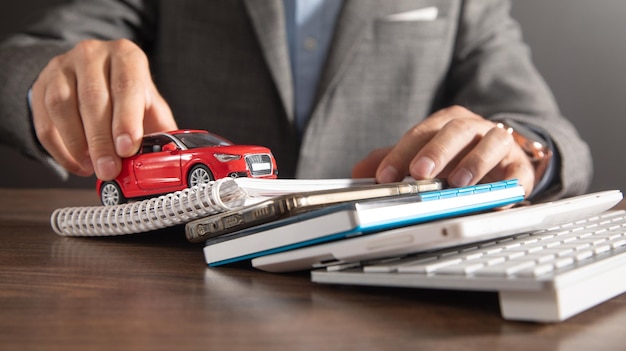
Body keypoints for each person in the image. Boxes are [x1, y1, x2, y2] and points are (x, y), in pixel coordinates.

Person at [0, 0, 592, 202]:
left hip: (390, 287)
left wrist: (524, 150)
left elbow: (542, 125)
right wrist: (51, 83)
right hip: (182, 283)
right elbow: (25, 56)